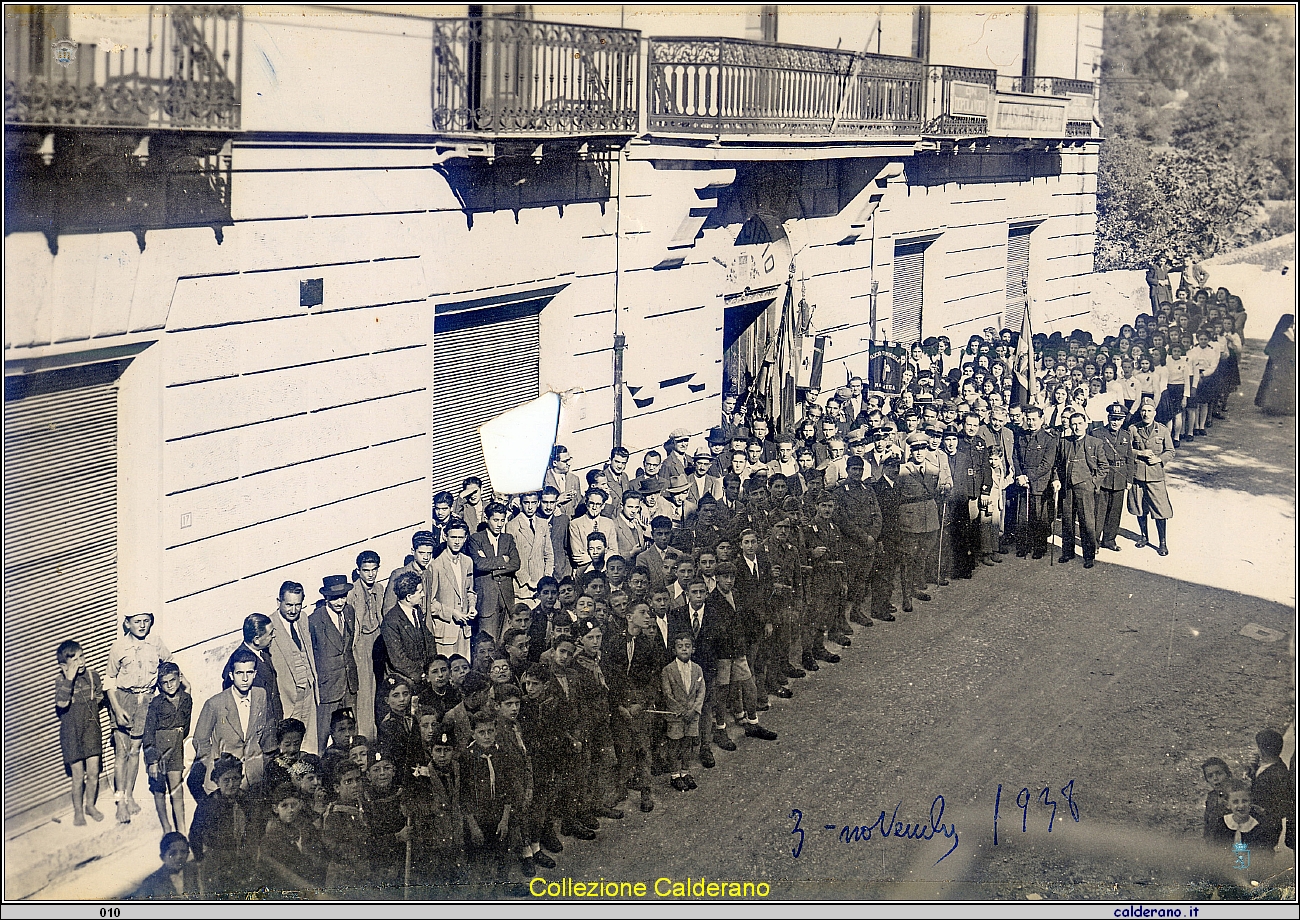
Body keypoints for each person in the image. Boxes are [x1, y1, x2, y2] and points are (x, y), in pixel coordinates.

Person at [106, 611, 178, 823]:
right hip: (124, 700)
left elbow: (170, 663)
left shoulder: (155, 643)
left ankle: (129, 795)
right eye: (137, 621)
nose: (142, 625)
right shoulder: (118, 647)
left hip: (146, 701)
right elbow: (109, 680)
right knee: (122, 753)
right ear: (127, 623)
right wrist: (117, 710)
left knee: (135, 750)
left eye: (146, 621)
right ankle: (120, 803)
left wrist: (181, 685)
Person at [193, 648, 276, 793]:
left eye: (249, 672)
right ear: (231, 675)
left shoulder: (260, 695)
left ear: (255, 674)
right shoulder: (215, 704)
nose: (245, 678)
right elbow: (199, 740)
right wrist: (216, 769)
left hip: (254, 779)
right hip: (224, 783)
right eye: (239, 673)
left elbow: (265, 734)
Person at [54, 639, 106, 825]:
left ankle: (90, 806)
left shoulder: (93, 676)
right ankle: (78, 811)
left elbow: (99, 697)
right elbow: (61, 703)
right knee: (78, 776)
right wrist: (70, 678)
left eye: (82, 656)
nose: (81, 662)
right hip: (71, 732)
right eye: (74, 660)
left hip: (91, 729)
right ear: (63, 666)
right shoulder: (62, 681)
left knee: (93, 772)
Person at [188, 754, 254, 896]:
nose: (231, 784)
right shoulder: (208, 805)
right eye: (226, 780)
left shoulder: (247, 801)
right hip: (216, 861)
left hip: (242, 859)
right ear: (217, 782)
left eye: (235, 779)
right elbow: (194, 834)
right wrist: (201, 859)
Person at [268, 582, 320, 755]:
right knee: (290, 744)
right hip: (289, 698)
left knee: (310, 741)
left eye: (298, 604)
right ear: (278, 602)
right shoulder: (269, 626)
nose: (293, 610)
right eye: (289, 605)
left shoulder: (303, 618)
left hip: (309, 692)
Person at [310, 575, 358, 754]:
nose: (340, 601)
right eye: (334, 598)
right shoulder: (314, 621)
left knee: (351, 730)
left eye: (343, 596)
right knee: (323, 734)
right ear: (326, 598)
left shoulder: (349, 612)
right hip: (328, 685)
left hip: (349, 683)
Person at [1054, 412, 1110, 568]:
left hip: (1085, 488)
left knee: (1086, 522)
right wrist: (1057, 479)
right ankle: (1067, 552)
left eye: (1079, 423)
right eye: (1073, 424)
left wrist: (1093, 483)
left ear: (1086, 424)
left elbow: (1104, 466)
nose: (1076, 427)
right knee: (1067, 520)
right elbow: (1057, 465)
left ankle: (1089, 555)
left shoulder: (1095, 443)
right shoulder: (1064, 442)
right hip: (1067, 487)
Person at [142, 661, 191, 833]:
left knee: (177, 791)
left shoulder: (186, 699)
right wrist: (152, 761)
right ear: (160, 684)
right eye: (165, 682)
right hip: (158, 751)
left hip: (175, 751)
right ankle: (166, 828)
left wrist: (176, 737)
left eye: (173, 680)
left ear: (179, 678)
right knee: (159, 791)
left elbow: (186, 727)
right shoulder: (156, 703)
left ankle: (182, 830)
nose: (169, 685)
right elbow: (148, 733)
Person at [1126, 397, 1175, 556]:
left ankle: (1162, 542)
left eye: (1149, 411)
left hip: (1155, 475)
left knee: (1160, 510)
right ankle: (1144, 536)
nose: (1145, 414)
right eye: (1143, 410)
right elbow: (1125, 449)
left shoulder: (1162, 430)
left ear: (1155, 413)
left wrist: (1159, 459)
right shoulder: (1133, 429)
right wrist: (1139, 452)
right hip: (1138, 475)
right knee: (1140, 508)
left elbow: (1170, 451)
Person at [468, 502, 521, 644]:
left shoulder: (507, 538)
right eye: (495, 520)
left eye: (502, 520)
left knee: (506, 642)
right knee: (487, 642)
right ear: (486, 519)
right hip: (487, 599)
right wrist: (502, 560)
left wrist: (491, 566)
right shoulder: (476, 539)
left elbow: (516, 563)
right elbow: (478, 564)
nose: (499, 524)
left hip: (506, 598)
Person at [347, 550, 385, 742]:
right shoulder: (352, 593)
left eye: (374, 570)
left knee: (378, 687)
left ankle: (378, 734)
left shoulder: (380, 588)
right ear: (358, 571)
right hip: (361, 643)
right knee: (364, 692)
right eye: (366, 570)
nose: (370, 574)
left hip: (377, 640)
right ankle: (365, 737)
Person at [426, 519, 477, 661]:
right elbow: (430, 603)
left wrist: (472, 606)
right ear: (445, 536)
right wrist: (452, 613)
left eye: (460, 537)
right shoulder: (435, 565)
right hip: (446, 631)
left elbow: (470, 591)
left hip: (464, 630)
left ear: (466, 538)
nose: (457, 542)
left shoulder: (467, 562)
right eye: (453, 537)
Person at [661, 633, 705, 792]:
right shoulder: (668, 670)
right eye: (680, 647)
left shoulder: (697, 669)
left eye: (687, 646)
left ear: (693, 649)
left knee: (688, 744)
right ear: (674, 650)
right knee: (674, 745)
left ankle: (685, 772)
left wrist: (694, 710)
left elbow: (701, 691)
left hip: (692, 715)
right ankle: (675, 775)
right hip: (676, 716)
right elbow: (667, 694)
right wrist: (680, 710)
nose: (684, 649)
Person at [381, 571, 438, 687]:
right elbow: (398, 659)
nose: (423, 595)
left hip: (425, 675)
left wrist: (432, 667)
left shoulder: (417, 611)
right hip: (406, 679)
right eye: (420, 592)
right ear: (408, 597)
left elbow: (429, 640)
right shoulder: (391, 621)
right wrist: (421, 675)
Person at [1092, 404, 1132, 553]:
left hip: (1119, 478)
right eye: (1113, 419)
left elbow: (1129, 459)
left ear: (1123, 421)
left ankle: (1109, 540)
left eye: (1119, 419)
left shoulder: (1126, 436)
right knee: (1098, 513)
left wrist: (1129, 479)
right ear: (1108, 418)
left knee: (1115, 512)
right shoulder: (1097, 434)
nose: (1115, 422)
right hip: (1103, 477)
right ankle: (1094, 541)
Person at [1250, 728, 1295, 852]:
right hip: (1257, 821)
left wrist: (1265, 811)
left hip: (1267, 825)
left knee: (1262, 852)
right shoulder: (1266, 766)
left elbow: (1283, 802)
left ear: (1262, 750)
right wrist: (1252, 770)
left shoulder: (1278, 774)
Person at [507, 490, 554, 598]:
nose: (530, 507)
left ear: (538, 503)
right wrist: (528, 580)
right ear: (520, 503)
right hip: (522, 587)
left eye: (533, 502)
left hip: (542, 586)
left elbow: (549, 554)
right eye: (526, 502)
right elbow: (512, 558)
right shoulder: (512, 526)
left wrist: (546, 577)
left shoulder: (543, 524)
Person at [131, 831, 201, 900]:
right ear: (162, 857)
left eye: (183, 852)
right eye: (172, 853)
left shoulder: (196, 871)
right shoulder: (151, 883)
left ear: (188, 853)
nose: (179, 856)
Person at [1256, 314, 1295, 416]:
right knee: (1275, 384)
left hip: (1289, 364)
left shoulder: (1291, 333)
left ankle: (1285, 407)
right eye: (1291, 323)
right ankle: (1272, 407)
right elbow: (1270, 350)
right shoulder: (1280, 334)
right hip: (1278, 363)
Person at [1201, 757, 1233, 841]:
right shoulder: (1211, 797)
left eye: (1219, 773)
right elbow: (1208, 826)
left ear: (1228, 774)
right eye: (1210, 776)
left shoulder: (1237, 795)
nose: (1215, 778)